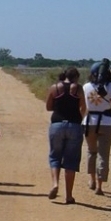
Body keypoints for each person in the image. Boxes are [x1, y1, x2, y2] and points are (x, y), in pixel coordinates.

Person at [45, 67, 86, 204]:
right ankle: (69, 195)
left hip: (56, 124)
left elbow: (48, 107)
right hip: (74, 125)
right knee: (71, 161)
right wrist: (79, 118)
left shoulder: (54, 87)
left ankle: (55, 184)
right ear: (76, 77)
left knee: (55, 156)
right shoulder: (78, 88)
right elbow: (83, 106)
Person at [82, 60, 111, 196]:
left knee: (91, 151)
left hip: (89, 121)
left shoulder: (86, 87)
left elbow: (83, 105)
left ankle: (91, 180)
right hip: (106, 122)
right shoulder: (110, 86)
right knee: (103, 155)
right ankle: (99, 186)